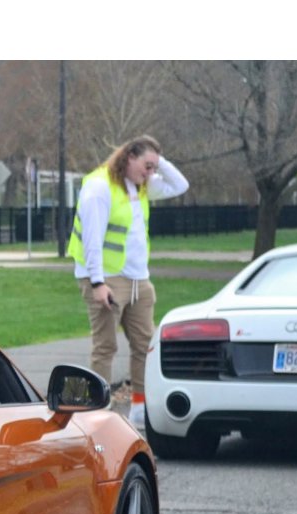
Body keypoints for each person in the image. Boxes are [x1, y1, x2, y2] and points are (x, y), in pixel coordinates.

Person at [67, 135, 188, 427]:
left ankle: (139, 408)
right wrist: (97, 283)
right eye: (147, 165)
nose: (151, 173)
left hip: (138, 279)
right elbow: (92, 241)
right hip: (107, 279)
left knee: (145, 346)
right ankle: (96, 412)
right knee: (105, 347)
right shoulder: (99, 187)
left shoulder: (140, 184)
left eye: (154, 167)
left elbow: (180, 185)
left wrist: (157, 159)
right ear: (129, 157)